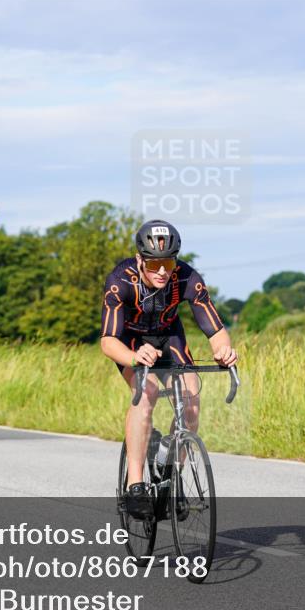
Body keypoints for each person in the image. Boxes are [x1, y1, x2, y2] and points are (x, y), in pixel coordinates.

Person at [100, 220, 237, 518]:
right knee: (146, 392)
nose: (163, 271)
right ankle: (136, 483)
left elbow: (215, 330)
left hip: (169, 336)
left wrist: (223, 350)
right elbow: (108, 341)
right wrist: (135, 357)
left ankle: (171, 475)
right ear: (139, 259)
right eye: (154, 263)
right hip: (131, 341)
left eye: (169, 262)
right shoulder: (120, 281)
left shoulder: (186, 277)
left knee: (191, 402)